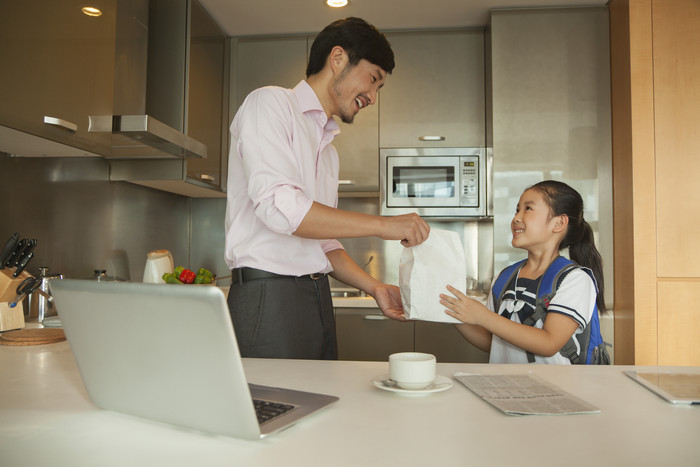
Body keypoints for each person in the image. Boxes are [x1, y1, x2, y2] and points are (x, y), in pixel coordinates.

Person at [224, 17, 430, 360]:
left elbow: (323, 242)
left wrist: (375, 287)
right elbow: (280, 207)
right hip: (268, 296)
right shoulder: (270, 104)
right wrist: (383, 225)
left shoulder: (329, 151)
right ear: (338, 59)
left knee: (322, 406)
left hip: (316, 295)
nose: (373, 97)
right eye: (373, 79)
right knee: (272, 410)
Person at [440, 180, 605, 364]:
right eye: (517, 210)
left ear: (559, 222)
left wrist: (482, 316)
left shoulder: (575, 279)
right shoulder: (504, 278)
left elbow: (549, 342)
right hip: (506, 389)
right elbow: (493, 342)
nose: (516, 218)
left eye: (528, 209)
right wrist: (454, 312)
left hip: (556, 391)